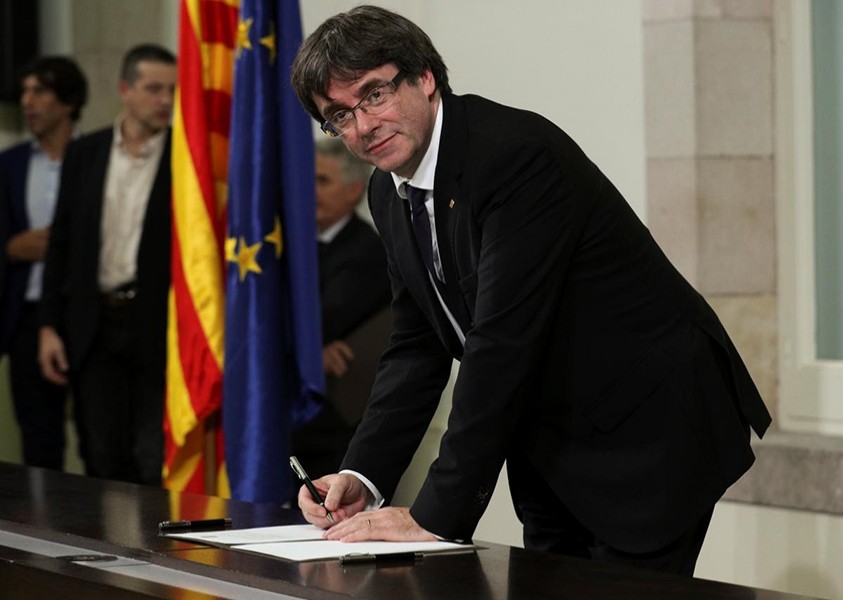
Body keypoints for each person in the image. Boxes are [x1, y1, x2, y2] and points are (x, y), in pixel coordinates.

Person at [290, 5, 771, 576]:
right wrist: (362, 475)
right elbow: (416, 345)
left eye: (373, 95)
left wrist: (434, 514)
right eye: (339, 115)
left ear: (424, 78)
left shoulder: (514, 155)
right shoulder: (386, 192)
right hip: (550, 437)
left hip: (649, 425)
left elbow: (501, 342)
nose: (362, 126)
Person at [38, 44, 176, 485]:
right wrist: (48, 326)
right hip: (93, 322)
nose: (165, 101)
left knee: (152, 451)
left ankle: (152, 551)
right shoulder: (87, 153)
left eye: (172, 90)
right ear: (125, 90)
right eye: (154, 88)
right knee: (100, 451)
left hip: (156, 322)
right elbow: (60, 244)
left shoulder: (185, 158)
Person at [0, 56, 87, 470]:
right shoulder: (10, 164)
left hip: (86, 313)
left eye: (40, 91)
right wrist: (11, 248)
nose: (28, 102)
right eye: (24, 92)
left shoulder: (94, 156)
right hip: (25, 317)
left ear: (68, 101)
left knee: (97, 435)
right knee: (38, 436)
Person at [292, 138, 391, 481]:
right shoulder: (294, 241)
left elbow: (322, 319)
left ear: (354, 191)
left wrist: (309, 345)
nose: (310, 190)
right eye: (307, 179)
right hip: (295, 414)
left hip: (337, 418)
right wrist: (311, 350)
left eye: (323, 181)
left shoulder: (366, 250)